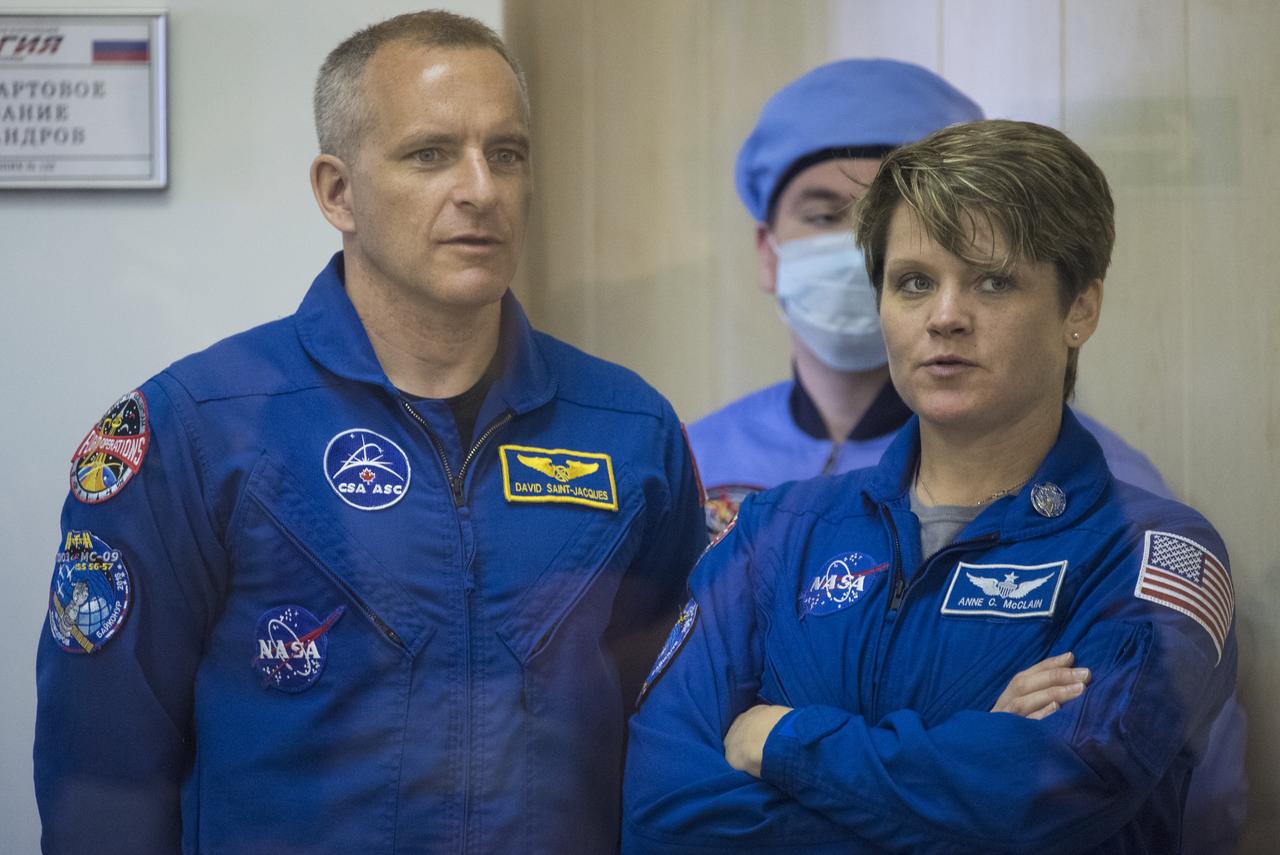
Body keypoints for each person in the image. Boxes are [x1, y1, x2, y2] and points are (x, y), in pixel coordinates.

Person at [34, 11, 705, 854]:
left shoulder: (629, 430)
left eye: (507, 153)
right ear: (337, 191)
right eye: (430, 154)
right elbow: (103, 776)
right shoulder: (196, 432)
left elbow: (676, 742)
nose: (481, 189)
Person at [623, 120, 1237, 853]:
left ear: (1080, 308)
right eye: (914, 282)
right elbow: (663, 810)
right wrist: (966, 750)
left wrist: (780, 738)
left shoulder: (1153, 554)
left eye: (993, 280)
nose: (945, 316)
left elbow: (1058, 793)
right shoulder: (777, 531)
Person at [690, 58, 1169, 532]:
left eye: (992, 279)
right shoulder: (693, 460)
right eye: (823, 216)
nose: (861, 249)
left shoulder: (1107, 494)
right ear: (767, 253)